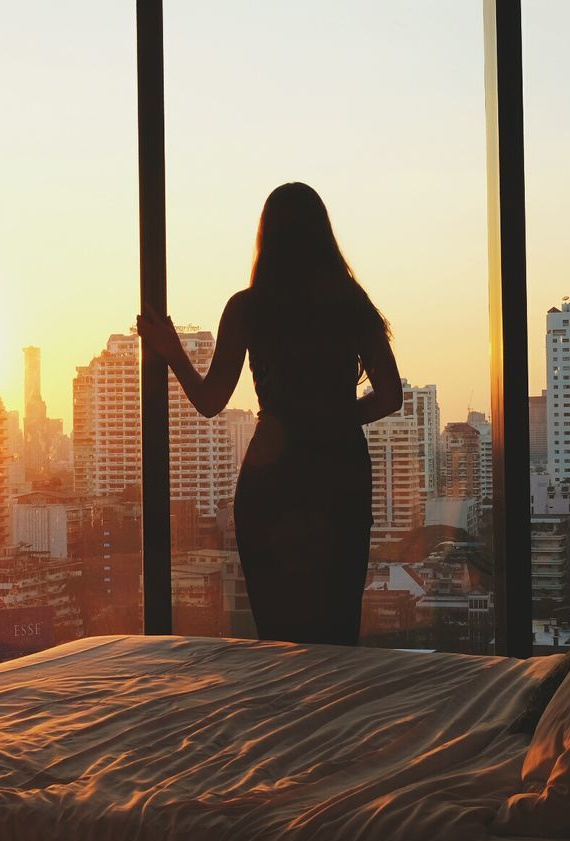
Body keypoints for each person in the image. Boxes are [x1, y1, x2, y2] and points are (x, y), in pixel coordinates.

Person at [138, 182, 402, 646]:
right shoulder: (350, 304)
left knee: (278, 634)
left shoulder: (248, 307)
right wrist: (334, 418)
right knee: (337, 625)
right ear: (325, 236)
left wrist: (174, 353)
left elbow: (210, 400)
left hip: (274, 475)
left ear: (266, 237)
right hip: (340, 473)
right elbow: (389, 397)